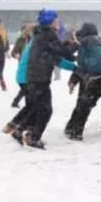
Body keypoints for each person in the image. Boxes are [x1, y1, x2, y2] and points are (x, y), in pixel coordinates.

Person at [23, 9, 77, 149]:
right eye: (55, 19)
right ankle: (34, 138)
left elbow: (56, 48)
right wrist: (76, 45)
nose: (58, 22)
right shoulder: (48, 34)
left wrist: (67, 47)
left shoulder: (41, 33)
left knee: (37, 107)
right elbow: (64, 52)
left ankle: (30, 134)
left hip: (34, 76)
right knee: (46, 110)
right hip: (40, 78)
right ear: (49, 22)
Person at [64, 23, 101, 141]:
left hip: (94, 79)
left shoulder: (84, 42)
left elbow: (81, 64)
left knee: (84, 105)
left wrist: (75, 79)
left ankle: (76, 132)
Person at [10, 23, 34, 108]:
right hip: (23, 66)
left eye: (30, 29)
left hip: (32, 66)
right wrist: (16, 55)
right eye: (26, 30)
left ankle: (17, 101)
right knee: (26, 86)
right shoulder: (20, 40)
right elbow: (13, 52)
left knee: (28, 86)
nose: (28, 31)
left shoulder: (35, 39)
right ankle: (24, 103)